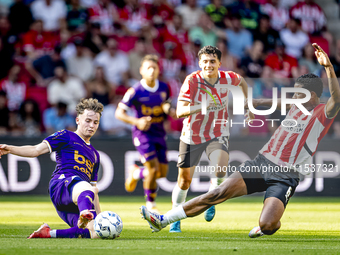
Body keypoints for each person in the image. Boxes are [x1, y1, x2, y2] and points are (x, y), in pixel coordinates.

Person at [140, 43, 340, 238]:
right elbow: (271, 102)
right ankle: (162, 220)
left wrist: (328, 68)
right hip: (261, 164)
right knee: (217, 194)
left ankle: (269, 224)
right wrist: (250, 104)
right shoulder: (295, 105)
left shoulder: (323, 113)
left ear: (311, 95)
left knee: (268, 224)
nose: (294, 96)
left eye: (298, 93)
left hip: (285, 176)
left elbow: (336, 100)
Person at [167, 45, 252, 233]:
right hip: (192, 134)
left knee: (221, 165)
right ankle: (175, 215)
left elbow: (243, 83)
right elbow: (180, 111)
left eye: (212, 61)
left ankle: (212, 197)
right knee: (184, 181)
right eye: (205, 61)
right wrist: (202, 105)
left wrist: (247, 105)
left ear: (219, 63)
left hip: (218, 130)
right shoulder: (191, 81)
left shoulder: (229, 78)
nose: (209, 65)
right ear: (199, 63)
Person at [0, 98, 104, 239]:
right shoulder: (66, 135)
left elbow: (94, 194)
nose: (91, 125)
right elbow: (36, 150)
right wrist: (10, 149)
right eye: (88, 120)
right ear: (78, 120)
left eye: (95, 122)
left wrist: (101, 219)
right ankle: (84, 212)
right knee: (86, 187)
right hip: (62, 185)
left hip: (77, 198)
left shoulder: (95, 155)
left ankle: (48, 233)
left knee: (96, 233)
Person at [115, 54, 174, 213]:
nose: (152, 71)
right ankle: (151, 205)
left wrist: (170, 110)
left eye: (154, 67)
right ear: (141, 70)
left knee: (162, 173)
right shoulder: (135, 91)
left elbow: (167, 104)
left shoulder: (164, 87)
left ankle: (136, 172)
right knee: (153, 169)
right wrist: (137, 122)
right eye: (148, 68)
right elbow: (119, 113)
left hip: (159, 133)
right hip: (143, 135)